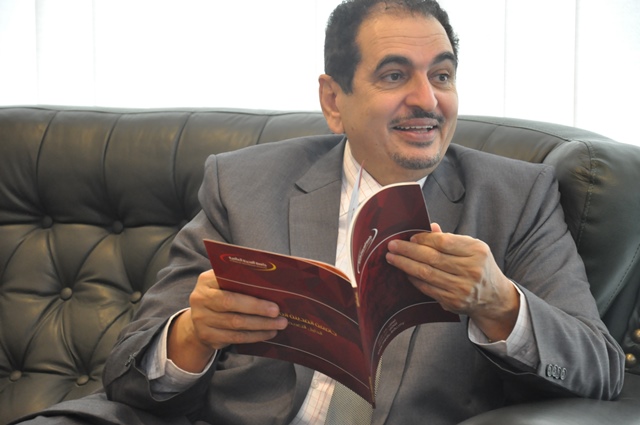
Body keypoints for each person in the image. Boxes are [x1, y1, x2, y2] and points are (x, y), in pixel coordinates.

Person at [18, 0, 624, 424]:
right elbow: (128, 372)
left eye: (442, 75)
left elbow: (601, 370)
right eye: (395, 75)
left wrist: (500, 304)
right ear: (334, 100)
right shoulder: (244, 184)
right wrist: (193, 334)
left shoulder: (516, 196)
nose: (427, 99)